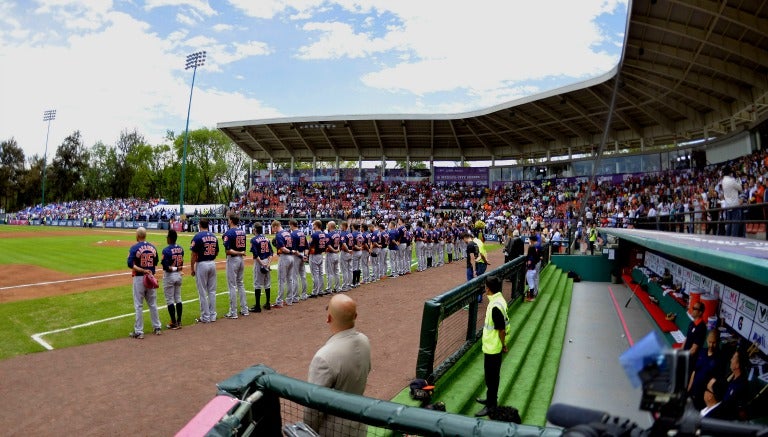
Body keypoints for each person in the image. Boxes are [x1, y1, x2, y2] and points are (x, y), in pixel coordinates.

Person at [304, 294, 371, 436]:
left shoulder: (324, 357)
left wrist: (307, 431)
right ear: (356, 316)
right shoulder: (365, 341)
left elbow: (314, 408)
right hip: (359, 424)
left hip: (333, 430)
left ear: (328, 318)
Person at [475, 275, 509, 417]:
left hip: (493, 348)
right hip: (492, 347)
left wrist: (503, 345)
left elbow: (501, 329)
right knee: (491, 377)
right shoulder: (498, 300)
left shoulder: (495, 306)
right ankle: (490, 399)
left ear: (488, 288)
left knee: (492, 378)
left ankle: (491, 406)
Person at [127, 227, 161, 339]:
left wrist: (142, 270)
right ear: (145, 235)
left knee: (139, 305)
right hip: (150, 277)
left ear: (137, 236)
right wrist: (148, 270)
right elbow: (156, 262)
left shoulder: (134, 248)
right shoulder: (153, 247)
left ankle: (139, 331)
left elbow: (130, 264)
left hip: (139, 278)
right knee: (152, 304)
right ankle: (157, 328)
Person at [191, 218, 220, 323]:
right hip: (212, 263)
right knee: (212, 291)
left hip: (202, 264)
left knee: (202, 292)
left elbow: (193, 254)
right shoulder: (213, 236)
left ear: (199, 225)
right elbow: (216, 252)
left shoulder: (198, 236)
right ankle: (213, 315)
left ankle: (205, 317)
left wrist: (192, 268)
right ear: (208, 225)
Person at [687, 329, 723, 410]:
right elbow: (694, 372)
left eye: (714, 342)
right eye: (710, 342)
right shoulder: (702, 352)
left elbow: (715, 381)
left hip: (703, 399)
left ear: (718, 342)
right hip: (692, 392)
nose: (711, 345)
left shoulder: (720, 359)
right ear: (707, 340)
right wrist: (688, 390)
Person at [223, 215, 248, 319]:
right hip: (241, 259)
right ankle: (244, 309)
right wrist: (240, 253)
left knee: (232, 285)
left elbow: (228, 250)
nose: (228, 221)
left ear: (231, 221)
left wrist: (238, 252)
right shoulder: (242, 232)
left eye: (229, 219)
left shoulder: (229, 233)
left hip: (233, 259)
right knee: (240, 284)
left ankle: (233, 312)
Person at [160, 229, 184, 330]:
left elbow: (166, 267)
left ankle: (173, 322)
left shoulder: (166, 250)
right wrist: (177, 268)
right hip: (178, 275)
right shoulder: (181, 249)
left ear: (169, 238)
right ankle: (179, 321)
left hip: (170, 276)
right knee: (178, 298)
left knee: (169, 299)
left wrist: (174, 268)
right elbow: (180, 265)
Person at [249, 223, 273, 312]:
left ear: (255, 229)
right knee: (267, 283)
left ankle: (258, 306)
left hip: (260, 262)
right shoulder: (267, 239)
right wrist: (268, 264)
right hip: (267, 261)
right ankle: (267, 303)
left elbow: (255, 255)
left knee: (257, 284)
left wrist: (262, 264)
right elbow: (271, 253)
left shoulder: (253, 240)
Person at [272, 220, 294, 308]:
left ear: (276, 226)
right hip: (291, 258)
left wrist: (289, 251)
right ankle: (289, 300)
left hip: (284, 257)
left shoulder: (279, 234)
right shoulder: (288, 233)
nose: (273, 230)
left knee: (281, 280)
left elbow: (283, 248)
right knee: (290, 279)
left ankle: (279, 301)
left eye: (273, 228)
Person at [721, 167, 744, 237]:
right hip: (734, 204)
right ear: (729, 173)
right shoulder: (732, 180)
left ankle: (728, 239)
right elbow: (740, 188)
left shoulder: (723, 181)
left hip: (728, 205)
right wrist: (737, 179)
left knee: (729, 224)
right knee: (735, 224)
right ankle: (734, 239)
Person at [289, 219, 309, 300]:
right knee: (303, 276)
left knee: (294, 276)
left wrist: (301, 256)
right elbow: (307, 247)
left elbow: (293, 250)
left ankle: (295, 297)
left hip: (296, 256)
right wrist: (305, 256)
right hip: (303, 254)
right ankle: (304, 295)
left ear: (292, 225)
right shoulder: (302, 233)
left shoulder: (292, 234)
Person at [683, 302, 707, 368]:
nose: (692, 310)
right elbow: (687, 338)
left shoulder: (701, 327)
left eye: (695, 308)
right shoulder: (692, 323)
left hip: (691, 360)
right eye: (693, 307)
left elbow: (694, 350)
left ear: (700, 312)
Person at [308, 220, 328, 298]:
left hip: (314, 255)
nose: (313, 226)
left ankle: (315, 292)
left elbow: (310, 245)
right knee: (320, 274)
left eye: (313, 225)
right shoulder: (324, 234)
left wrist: (307, 254)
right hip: (320, 254)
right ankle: (320, 291)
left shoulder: (314, 234)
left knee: (315, 274)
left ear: (316, 225)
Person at [325, 221, 342, 294]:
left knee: (330, 272)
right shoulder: (338, 234)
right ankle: (337, 287)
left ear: (330, 226)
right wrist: (337, 249)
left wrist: (334, 250)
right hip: (336, 254)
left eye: (328, 225)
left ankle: (329, 288)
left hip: (331, 254)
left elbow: (328, 245)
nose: (327, 226)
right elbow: (340, 244)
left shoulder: (328, 234)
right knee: (336, 272)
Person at [525, 235, 541, 301]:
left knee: (531, 283)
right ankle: (532, 294)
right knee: (533, 281)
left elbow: (529, 264)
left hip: (531, 270)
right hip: (534, 269)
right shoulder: (535, 251)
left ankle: (531, 296)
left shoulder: (531, 257)